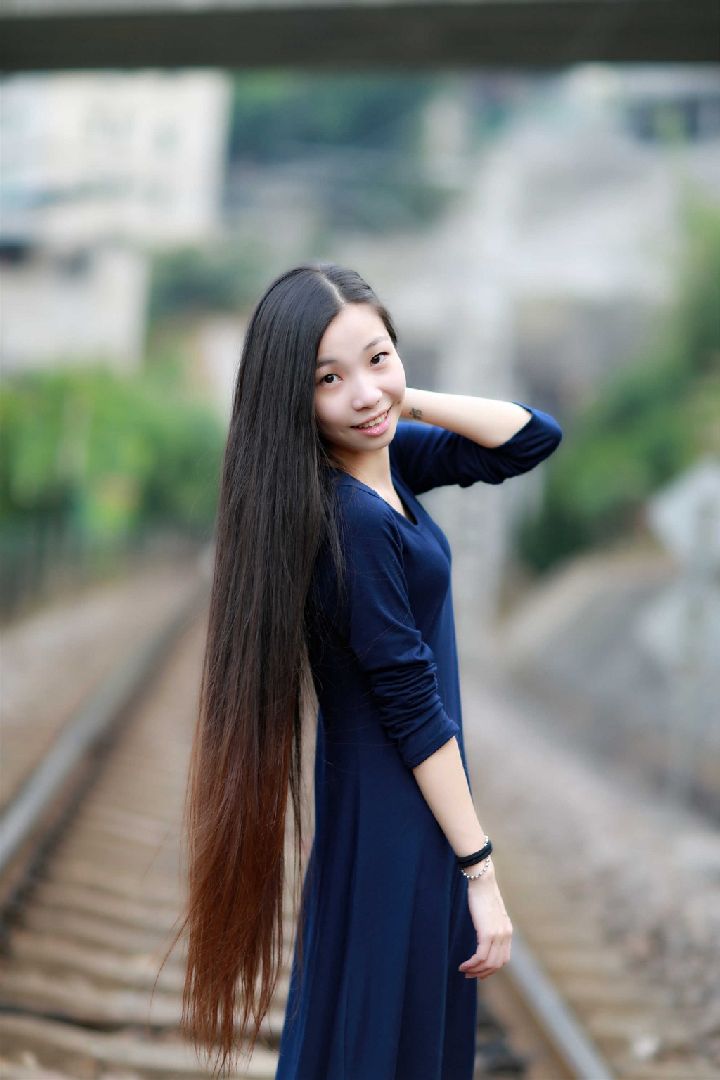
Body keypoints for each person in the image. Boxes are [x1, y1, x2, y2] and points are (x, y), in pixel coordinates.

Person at [168, 262, 563, 1080]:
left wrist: (396, 396)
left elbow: (529, 438)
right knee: (387, 1036)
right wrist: (480, 870)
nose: (361, 395)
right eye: (328, 379)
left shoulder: (382, 468)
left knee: (376, 1031)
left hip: (387, 810)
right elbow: (414, 710)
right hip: (399, 815)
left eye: (377, 357)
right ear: (293, 398)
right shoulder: (348, 517)